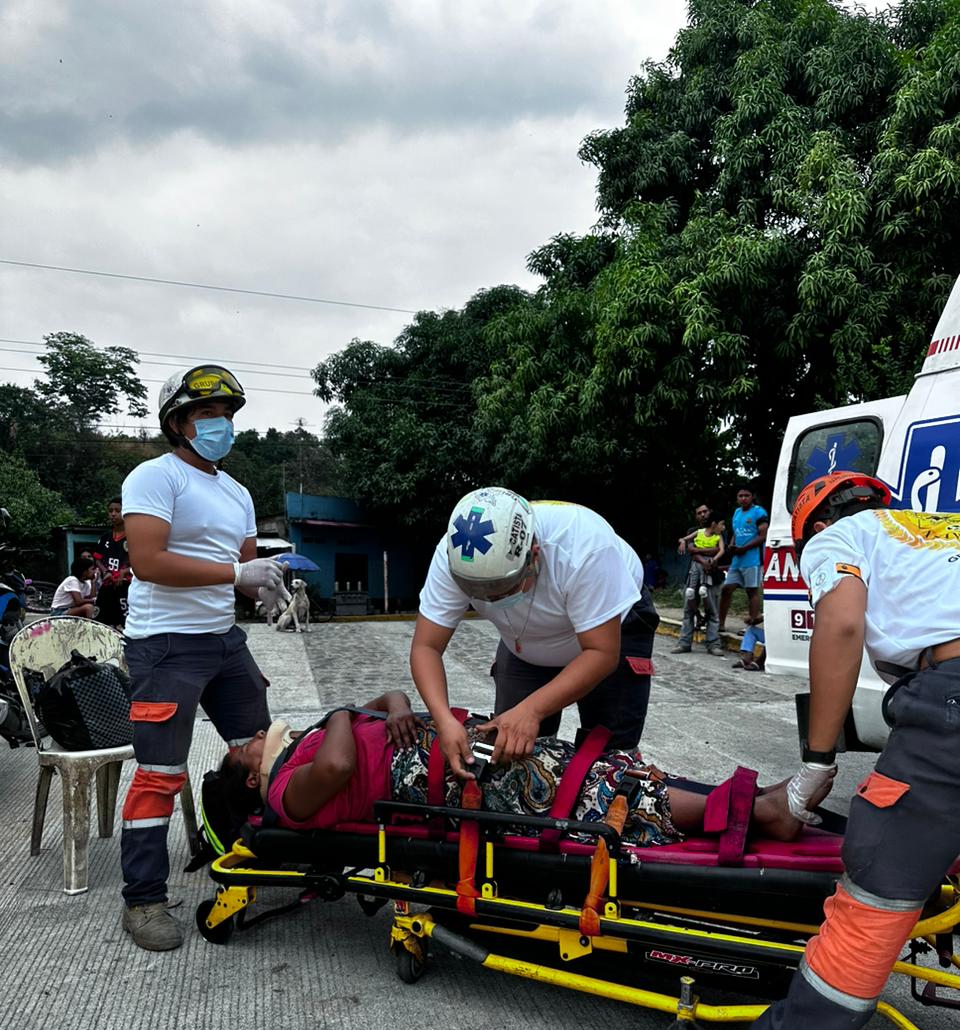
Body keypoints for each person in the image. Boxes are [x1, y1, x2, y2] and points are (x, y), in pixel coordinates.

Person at [667, 469, 960, 1030]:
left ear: (815, 530)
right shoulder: (940, 534)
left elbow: (843, 625)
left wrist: (815, 765)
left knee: (876, 895)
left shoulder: (844, 536)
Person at [119, 364, 285, 952]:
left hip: (222, 641)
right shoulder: (154, 478)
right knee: (161, 773)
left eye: (227, 416)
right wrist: (239, 571)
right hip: (164, 645)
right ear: (179, 423)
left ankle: (242, 851)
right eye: (207, 415)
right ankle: (142, 900)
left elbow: (239, 573)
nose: (221, 426)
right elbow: (149, 561)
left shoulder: (237, 491)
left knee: (266, 756)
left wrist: (264, 589)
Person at [204, 697, 810, 851]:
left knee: (588, 767)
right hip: (437, 779)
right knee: (587, 794)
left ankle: (749, 803)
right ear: (253, 780)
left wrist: (391, 710)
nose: (252, 738)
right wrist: (338, 714)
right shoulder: (286, 793)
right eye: (242, 752)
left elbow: (388, 697)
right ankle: (758, 812)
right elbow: (339, 765)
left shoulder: (303, 744)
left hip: (453, 748)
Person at [410, 488, 659, 781]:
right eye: (478, 595)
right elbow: (426, 647)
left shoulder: (585, 547)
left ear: (534, 557)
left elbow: (602, 653)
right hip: (524, 643)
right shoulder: (458, 554)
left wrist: (532, 709)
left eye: (502, 591)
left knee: (611, 756)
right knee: (509, 749)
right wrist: (444, 720)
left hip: (614, 625)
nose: (490, 602)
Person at [672, 508, 725, 656]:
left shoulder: (720, 529)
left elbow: (719, 549)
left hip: (713, 576)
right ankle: (684, 643)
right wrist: (705, 560)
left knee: (713, 611)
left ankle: (713, 644)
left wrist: (700, 551)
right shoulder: (694, 530)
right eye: (699, 513)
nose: (703, 515)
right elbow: (691, 550)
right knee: (688, 610)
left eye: (705, 512)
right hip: (694, 574)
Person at [718, 484, 768, 632]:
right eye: (741, 496)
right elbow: (736, 532)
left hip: (753, 559)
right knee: (726, 589)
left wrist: (744, 548)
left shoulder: (759, 512)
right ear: (737, 498)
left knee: (751, 591)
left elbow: (762, 536)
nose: (743, 498)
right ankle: (720, 624)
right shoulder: (737, 513)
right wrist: (732, 545)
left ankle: (751, 625)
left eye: (746, 495)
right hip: (737, 559)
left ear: (752, 497)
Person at [95, 496, 131, 629]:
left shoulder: (133, 537)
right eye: (110, 511)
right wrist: (105, 572)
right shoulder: (105, 538)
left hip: (126, 587)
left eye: (117, 510)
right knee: (100, 624)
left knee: (125, 624)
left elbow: (141, 560)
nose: (113, 514)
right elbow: (98, 559)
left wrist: (125, 571)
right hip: (107, 585)